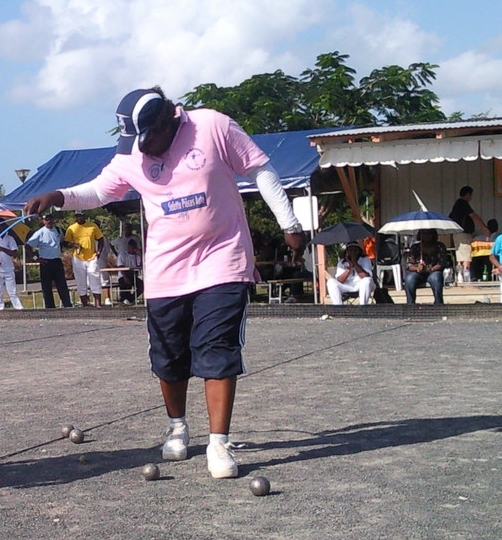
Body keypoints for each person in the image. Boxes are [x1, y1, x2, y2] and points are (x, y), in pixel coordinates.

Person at [24, 86, 303, 480]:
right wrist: (57, 195)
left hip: (222, 259)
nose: (142, 148)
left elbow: (261, 169)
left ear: (166, 119)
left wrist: (288, 223)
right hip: (166, 271)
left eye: (147, 137)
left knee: (217, 348)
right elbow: (101, 190)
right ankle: (177, 426)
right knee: (169, 357)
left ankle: (219, 443)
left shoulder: (212, 125)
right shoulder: (133, 151)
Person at [25, 213, 71, 309]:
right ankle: (50, 307)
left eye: (50, 219)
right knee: (46, 287)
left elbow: (62, 242)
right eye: (47, 220)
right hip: (46, 262)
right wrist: (36, 258)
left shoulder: (58, 230)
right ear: (43, 221)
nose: (49, 221)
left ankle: (67, 305)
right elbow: (28, 246)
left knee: (62, 284)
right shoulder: (40, 232)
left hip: (57, 260)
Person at [63, 211, 106, 307]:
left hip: (92, 257)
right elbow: (65, 243)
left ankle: (98, 304)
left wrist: (98, 252)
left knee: (94, 278)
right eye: (77, 216)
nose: (79, 218)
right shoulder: (71, 228)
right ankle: (85, 305)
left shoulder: (93, 226)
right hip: (78, 258)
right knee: (80, 281)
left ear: (84, 216)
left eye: (81, 216)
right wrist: (73, 245)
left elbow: (100, 239)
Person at [448, 186, 489, 284]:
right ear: (468, 194)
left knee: (460, 255)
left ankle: (460, 277)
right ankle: (465, 278)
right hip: (463, 233)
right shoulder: (462, 203)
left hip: (458, 233)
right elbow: (473, 216)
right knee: (466, 256)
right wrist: (484, 228)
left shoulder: (456, 205)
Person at [403, 229, 450, 304]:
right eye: (424, 234)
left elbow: (442, 263)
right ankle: (410, 304)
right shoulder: (415, 247)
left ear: (434, 235)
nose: (427, 236)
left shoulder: (440, 246)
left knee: (436, 278)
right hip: (418, 273)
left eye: (429, 234)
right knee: (409, 279)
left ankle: (438, 304)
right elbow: (408, 265)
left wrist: (430, 269)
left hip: (434, 271)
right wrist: (417, 268)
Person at [0, 224, 23, 311]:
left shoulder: (10, 239)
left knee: (12, 291)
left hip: (8, 269)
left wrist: (2, 249)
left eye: (1, 226)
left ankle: (18, 308)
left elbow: (14, 253)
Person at [114, 234, 144, 304]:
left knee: (142, 285)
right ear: (128, 247)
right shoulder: (122, 254)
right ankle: (124, 298)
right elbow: (120, 266)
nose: (132, 248)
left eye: (134, 247)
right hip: (123, 275)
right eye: (131, 246)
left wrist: (140, 255)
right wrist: (125, 277)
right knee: (126, 283)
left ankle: (131, 299)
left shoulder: (137, 256)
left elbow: (139, 265)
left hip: (133, 274)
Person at [470, 218, 498, 283]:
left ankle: (488, 277)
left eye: (494, 225)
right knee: (475, 260)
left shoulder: (499, 236)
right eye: (491, 225)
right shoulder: (481, 237)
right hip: (481, 256)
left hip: (494, 256)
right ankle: (476, 277)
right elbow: (474, 241)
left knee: (488, 260)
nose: (493, 227)